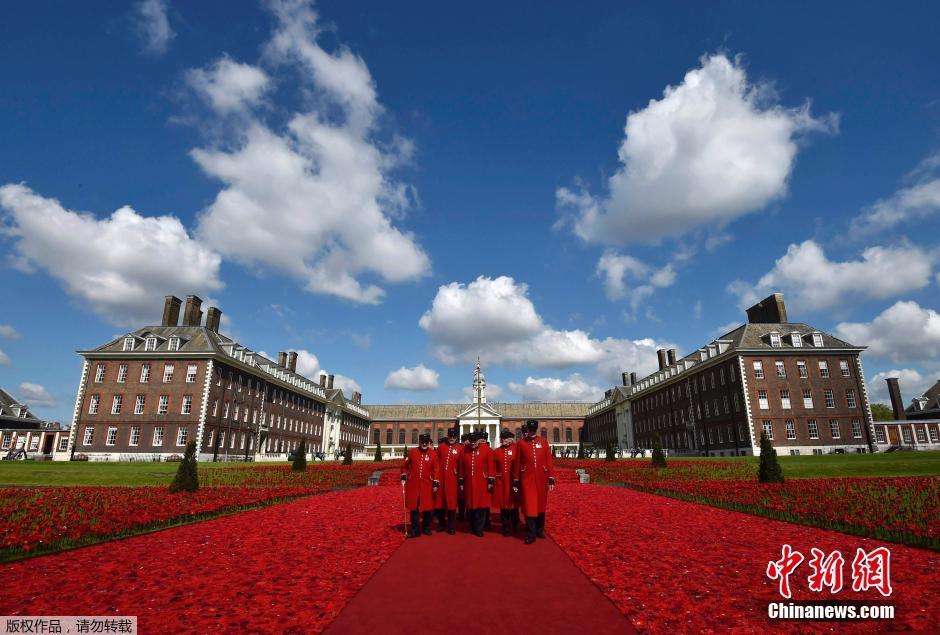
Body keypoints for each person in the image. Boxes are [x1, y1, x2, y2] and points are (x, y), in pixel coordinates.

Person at [513, 419, 555, 544]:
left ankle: (539, 529)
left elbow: (549, 460)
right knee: (529, 505)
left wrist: (551, 477)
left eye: (533, 430)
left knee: (541, 504)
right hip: (527, 478)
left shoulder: (543, 442)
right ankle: (531, 533)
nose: (531, 432)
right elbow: (517, 463)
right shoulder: (521, 444)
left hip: (541, 478)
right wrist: (516, 479)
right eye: (529, 430)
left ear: (535, 430)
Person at [401, 433, 440, 538]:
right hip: (413, 485)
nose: (424, 444)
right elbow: (404, 466)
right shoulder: (413, 452)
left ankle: (426, 528)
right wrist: (404, 474)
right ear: (419, 442)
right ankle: (415, 530)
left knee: (427, 509)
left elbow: (436, 469)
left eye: (426, 442)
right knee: (414, 509)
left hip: (427, 485)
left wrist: (436, 481)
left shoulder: (433, 454)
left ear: (428, 443)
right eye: (422, 442)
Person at [459, 432, 494, 537]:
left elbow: (491, 466)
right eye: (471, 442)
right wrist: (461, 480)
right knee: (471, 506)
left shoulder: (487, 450)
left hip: (482, 482)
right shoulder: (464, 450)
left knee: (481, 506)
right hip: (469, 481)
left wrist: (490, 480)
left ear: (479, 440)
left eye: (475, 441)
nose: (473, 444)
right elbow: (461, 467)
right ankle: (473, 526)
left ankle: (479, 528)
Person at [434, 426, 463, 534]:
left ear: (456, 436)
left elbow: (461, 465)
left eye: (454, 436)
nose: (452, 438)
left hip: (453, 479)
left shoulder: (460, 448)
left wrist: (460, 478)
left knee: (451, 503)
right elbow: (435, 461)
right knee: (440, 502)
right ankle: (441, 524)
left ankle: (451, 526)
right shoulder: (441, 447)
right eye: (450, 436)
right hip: (441, 478)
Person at [492, 429, 520, 536]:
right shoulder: (497, 451)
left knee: (513, 504)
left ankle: (515, 524)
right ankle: (505, 527)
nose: (503, 440)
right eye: (502, 438)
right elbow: (494, 467)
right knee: (503, 505)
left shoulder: (516, 449)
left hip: (512, 481)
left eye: (505, 438)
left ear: (510, 439)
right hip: (501, 482)